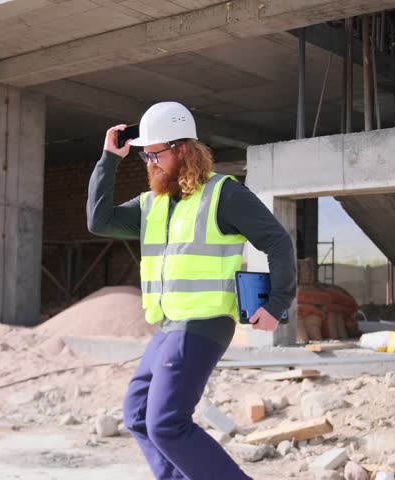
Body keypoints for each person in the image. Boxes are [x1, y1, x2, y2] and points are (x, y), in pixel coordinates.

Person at [87, 101, 296, 479]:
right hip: (170, 325)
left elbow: (278, 241)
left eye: (155, 154)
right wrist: (109, 160)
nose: (149, 162)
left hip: (204, 323)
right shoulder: (153, 204)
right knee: (137, 416)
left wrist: (277, 302)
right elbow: (98, 221)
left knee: (166, 423)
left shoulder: (223, 193)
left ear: (183, 149)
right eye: (144, 156)